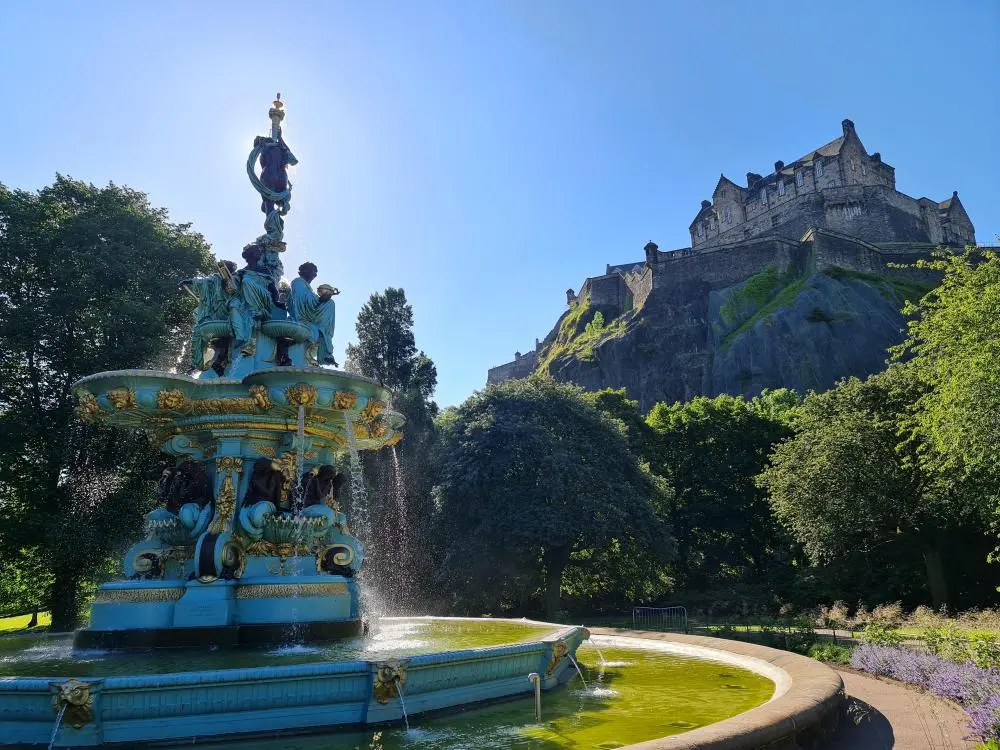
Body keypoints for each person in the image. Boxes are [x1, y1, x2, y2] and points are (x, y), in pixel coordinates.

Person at [289, 262, 339, 366]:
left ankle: (324, 336)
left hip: (310, 313)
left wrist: (324, 297)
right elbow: (302, 301)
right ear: (304, 270)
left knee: (330, 303)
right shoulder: (298, 282)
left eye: (316, 273)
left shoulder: (306, 287)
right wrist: (320, 299)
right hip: (302, 316)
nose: (315, 275)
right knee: (329, 304)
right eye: (313, 272)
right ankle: (322, 333)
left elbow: (311, 300)